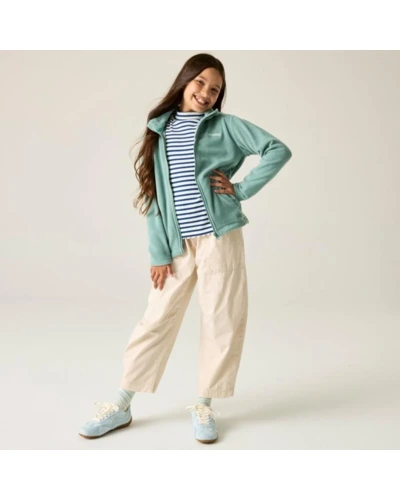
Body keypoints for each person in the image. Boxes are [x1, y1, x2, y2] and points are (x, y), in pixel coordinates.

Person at [79, 53, 292, 443]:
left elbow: (277, 149)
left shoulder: (225, 126)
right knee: (156, 318)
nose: (206, 93)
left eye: (215, 89)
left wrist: (241, 190)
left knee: (221, 318)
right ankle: (122, 403)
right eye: (201, 83)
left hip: (220, 237)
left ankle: (204, 404)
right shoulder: (159, 130)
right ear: (185, 81)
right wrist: (159, 253)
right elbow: (153, 197)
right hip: (178, 244)